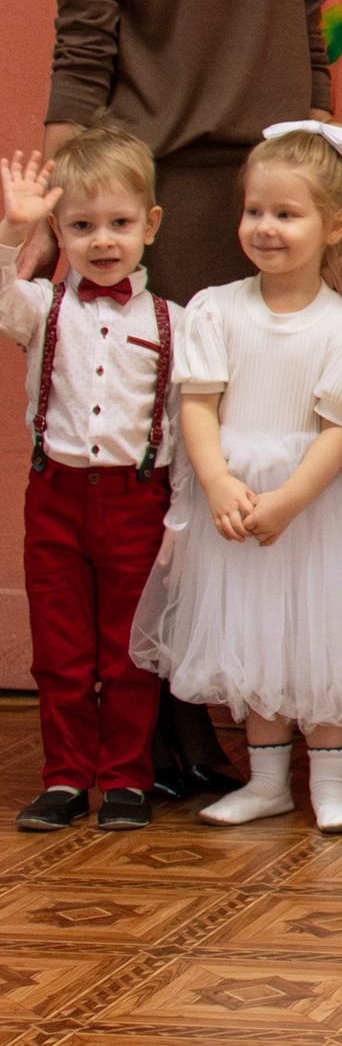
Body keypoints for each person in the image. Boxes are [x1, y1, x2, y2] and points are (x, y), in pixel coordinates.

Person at [38, 0, 333, 802]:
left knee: (241, 456)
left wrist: (319, 204)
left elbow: (309, 51)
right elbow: (84, 54)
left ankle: (213, 707)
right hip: (151, 206)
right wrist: (57, 216)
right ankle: (140, 716)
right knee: (146, 471)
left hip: (263, 212)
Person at [130, 124, 342, 832]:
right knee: (253, 638)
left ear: (333, 224)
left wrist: (287, 501)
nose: (266, 227)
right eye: (256, 210)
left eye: (287, 213)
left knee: (320, 641)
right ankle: (268, 779)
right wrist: (217, 480)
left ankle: (333, 781)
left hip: (309, 507)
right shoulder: (217, 308)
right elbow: (198, 403)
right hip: (236, 500)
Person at [0, 131, 186, 832]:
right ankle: (65, 776)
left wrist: (184, 515)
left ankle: (127, 777)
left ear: (151, 224)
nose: (102, 241)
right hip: (56, 497)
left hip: (139, 499)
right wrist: (14, 227)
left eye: (119, 223)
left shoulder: (175, 321)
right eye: (81, 226)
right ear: (60, 231)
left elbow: (182, 424)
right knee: (61, 648)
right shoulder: (41, 309)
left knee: (130, 650)